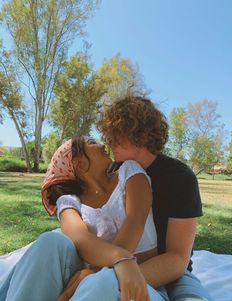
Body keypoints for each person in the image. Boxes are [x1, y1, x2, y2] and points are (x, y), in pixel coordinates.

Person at [0, 135, 167, 301]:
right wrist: (118, 259)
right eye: (92, 143)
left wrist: (98, 270)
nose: (103, 145)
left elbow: (135, 219)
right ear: (79, 164)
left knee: (101, 281)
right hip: (91, 281)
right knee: (49, 241)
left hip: (144, 283)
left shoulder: (129, 171)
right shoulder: (70, 201)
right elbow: (80, 238)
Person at [86, 95, 213, 301]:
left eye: (117, 133)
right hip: (120, 266)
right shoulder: (113, 172)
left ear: (141, 135)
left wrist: (124, 281)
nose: (109, 141)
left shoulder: (179, 177)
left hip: (173, 274)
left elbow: (177, 258)